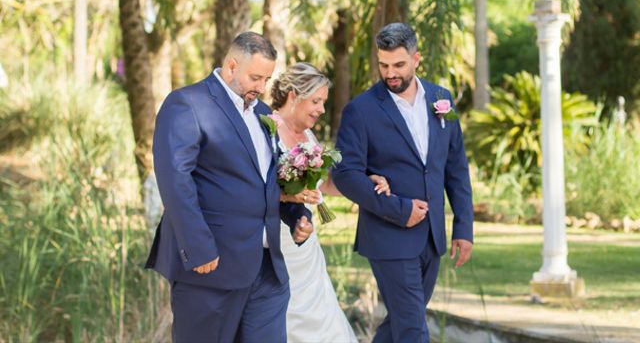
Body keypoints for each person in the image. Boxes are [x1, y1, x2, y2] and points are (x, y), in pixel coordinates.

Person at [145, 32, 314, 343]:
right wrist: (198, 247)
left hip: (267, 270)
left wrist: (297, 214)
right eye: (255, 77)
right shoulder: (188, 103)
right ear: (232, 65)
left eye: (266, 79)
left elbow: (271, 178)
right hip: (211, 266)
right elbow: (175, 178)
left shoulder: (264, 114)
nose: (261, 87)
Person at [333, 23, 474, 342]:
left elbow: (456, 168)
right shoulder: (361, 110)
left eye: (398, 65)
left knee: (400, 324)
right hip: (388, 236)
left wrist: (463, 228)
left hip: (432, 237)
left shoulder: (442, 100)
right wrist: (399, 209)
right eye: (383, 65)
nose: (390, 73)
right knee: (413, 329)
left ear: (416, 59)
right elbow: (345, 174)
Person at [270, 62, 390, 343]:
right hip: (278, 241)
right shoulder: (268, 130)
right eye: (316, 101)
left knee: (326, 322)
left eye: (323, 101)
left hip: (308, 248)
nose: (322, 109)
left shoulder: (309, 136)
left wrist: (364, 183)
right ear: (293, 96)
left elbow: (325, 183)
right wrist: (291, 195)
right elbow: (259, 188)